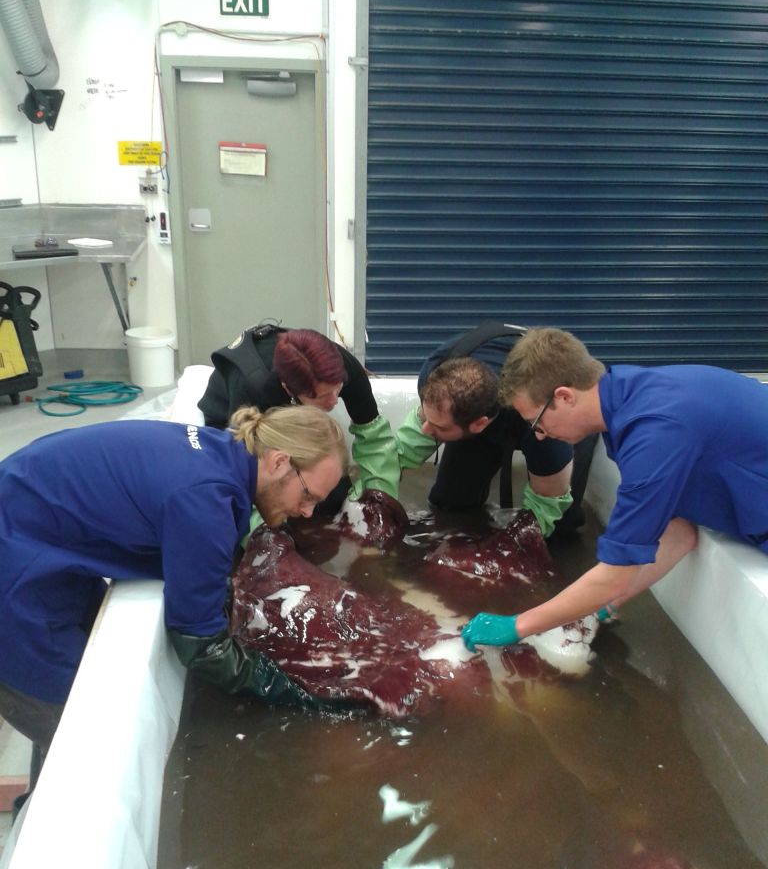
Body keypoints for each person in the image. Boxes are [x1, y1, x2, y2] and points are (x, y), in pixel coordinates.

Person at [0, 405, 351, 785]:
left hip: (38, 528)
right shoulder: (205, 501)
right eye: (308, 495)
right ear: (280, 462)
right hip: (15, 573)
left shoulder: (221, 453)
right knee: (85, 742)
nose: (307, 512)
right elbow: (200, 643)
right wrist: (291, 689)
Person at [462, 326, 768, 651]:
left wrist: (517, 625)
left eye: (535, 424)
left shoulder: (654, 434)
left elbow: (615, 574)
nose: (539, 436)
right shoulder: (630, 397)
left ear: (564, 396)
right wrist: (604, 601)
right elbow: (679, 533)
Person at [394, 322, 594, 537]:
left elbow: (547, 503)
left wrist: (507, 550)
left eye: (438, 426)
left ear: (480, 423)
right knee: (450, 503)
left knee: (559, 530)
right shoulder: (435, 373)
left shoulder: (544, 425)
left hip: (558, 403)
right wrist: (377, 490)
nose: (425, 429)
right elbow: (401, 450)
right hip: (489, 395)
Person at [198, 322, 399, 508]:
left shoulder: (346, 368)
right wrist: (267, 532)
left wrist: (381, 502)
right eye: (321, 396)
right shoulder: (255, 387)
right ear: (289, 389)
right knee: (286, 500)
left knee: (332, 497)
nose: (333, 401)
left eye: (336, 389)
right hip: (231, 421)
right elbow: (247, 473)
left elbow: (375, 440)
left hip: (293, 407)